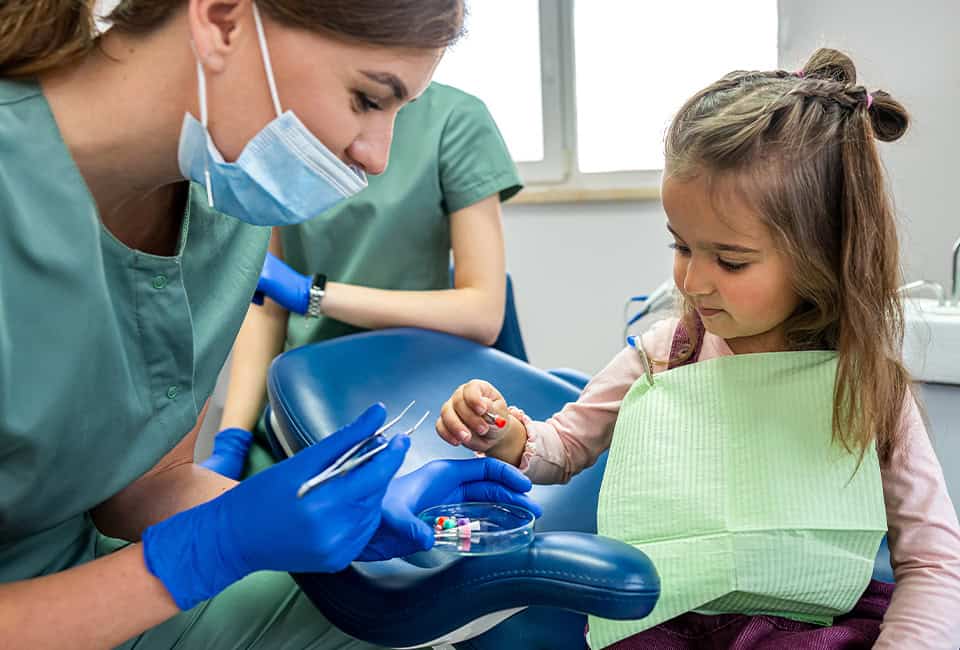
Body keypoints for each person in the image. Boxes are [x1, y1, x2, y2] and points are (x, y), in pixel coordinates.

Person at [0, 1, 540, 648]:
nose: (376, 159)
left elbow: (142, 490)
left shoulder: (223, 209)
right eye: (368, 99)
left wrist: (334, 514)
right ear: (223, 20)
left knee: (396, 620)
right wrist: (206, 551)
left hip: (86, 575)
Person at [435, 49, 960, 649]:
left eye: (730, 260)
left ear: (823, 255)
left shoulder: (867, 387)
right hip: (663, 618)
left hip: (810, 626)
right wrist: (502, 434)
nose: (692, 281)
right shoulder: (664, 356)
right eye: (681, 247)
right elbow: (563, 446)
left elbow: (933, 563)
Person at [205, 81, 522, 478]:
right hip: (301, 391)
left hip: (415, 398)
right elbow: (267, 306)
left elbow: (483, 311)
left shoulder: (453, 119)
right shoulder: (286, 121)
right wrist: (232, 437)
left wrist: (314, 295)